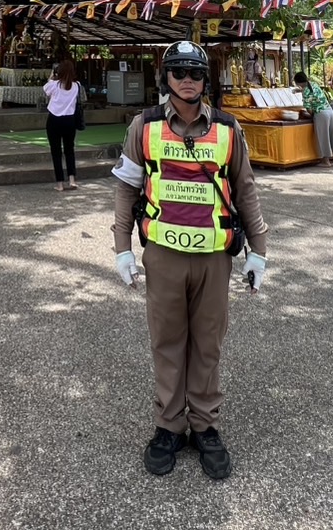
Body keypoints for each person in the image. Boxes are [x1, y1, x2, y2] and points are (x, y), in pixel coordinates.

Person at [113, 40, 268, 481]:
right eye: (178, 71)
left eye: (195, 73)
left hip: (213, 259)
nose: (187, 80)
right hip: (163, 256)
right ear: (166, 77)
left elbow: (246, 189)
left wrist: (259, 250)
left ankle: (204, 426)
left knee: (207, 344)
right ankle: (168, 426)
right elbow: (126, 188)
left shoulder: (227, 129)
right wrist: (122, 247)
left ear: (205, 79)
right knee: (167, 342)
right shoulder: (143, 126)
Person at [44, 57, 82, 191]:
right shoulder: (77, 86)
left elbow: (46, 90)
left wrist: (51, 76)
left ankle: (60, 183)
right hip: (70, 120)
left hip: (54, 120)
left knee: (56, 152)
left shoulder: (54, 85)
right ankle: (72, 180)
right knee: (69, 150)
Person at [294, 70, 333, 166]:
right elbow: (311, 91)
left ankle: (326, 161)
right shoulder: (314, 84)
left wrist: (312, 115)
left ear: (298, 83)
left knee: (323, 137)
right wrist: (299, 90)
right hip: (330, 111)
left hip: (321, 114)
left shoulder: (305, 92)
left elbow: (308, 108)